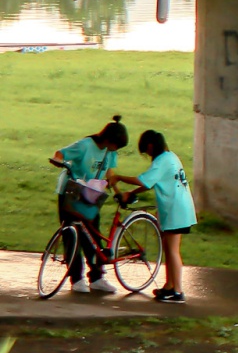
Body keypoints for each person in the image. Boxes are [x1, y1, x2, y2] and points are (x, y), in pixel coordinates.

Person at [110, 130, 196, 303]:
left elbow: (143, 181)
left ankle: (178, 291)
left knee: (172, 250)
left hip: (175, 209)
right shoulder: (170, 157)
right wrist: (132, 193)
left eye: (145, 150)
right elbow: (151, 182)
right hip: (177, 207)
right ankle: (169, 286)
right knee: (168, 248)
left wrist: (118, 177)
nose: (146, 154)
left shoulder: (162, 161)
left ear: (150, 146)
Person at [52, 115, 127, 294]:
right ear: (108, 139)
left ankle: (97, 277)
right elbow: (60, 153)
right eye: (116, 145)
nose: (115, 150)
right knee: (72, 234)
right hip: (71, 192)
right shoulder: (85, 145)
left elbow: (109, 172)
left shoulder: (110, 151)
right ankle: (76, 279)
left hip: (91, 193)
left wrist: (118, 192)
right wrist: (59, 162)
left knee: (93, 234)